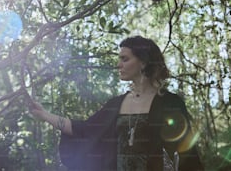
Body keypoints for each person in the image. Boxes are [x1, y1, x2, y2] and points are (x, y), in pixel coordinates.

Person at [30, 36, 204, 170]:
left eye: (125, 59)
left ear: (143, 62)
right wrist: (44, 114)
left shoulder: (169, 103)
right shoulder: (115, 104)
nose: (118, 65)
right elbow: (82, 130)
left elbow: (187, 154)